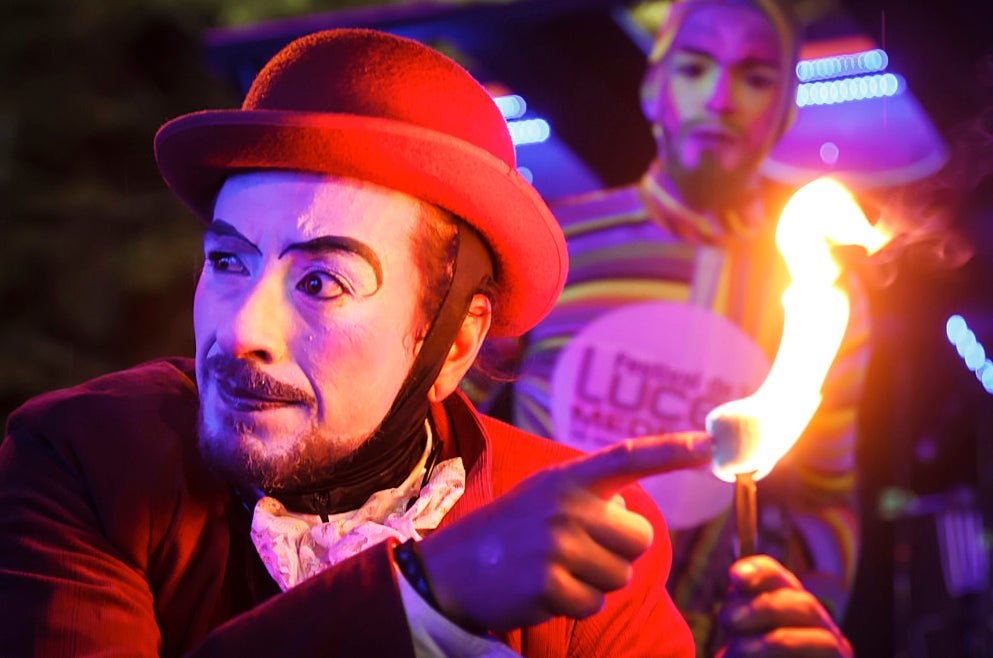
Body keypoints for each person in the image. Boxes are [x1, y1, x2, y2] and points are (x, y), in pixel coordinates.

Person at [0, 27, 849, 657]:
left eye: (321, 281)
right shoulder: (82, 457)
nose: (241, 332)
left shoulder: (592, 535)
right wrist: (432, 592)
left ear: (454, 344)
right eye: (227, 259)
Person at [465, 0, 867, 655]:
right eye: (693, 67)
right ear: (652, 89)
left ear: (786, 111)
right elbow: (449, 435)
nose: (718, 97)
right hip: (532, 633)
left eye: (756, 77)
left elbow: (825, 498)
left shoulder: (819, 294)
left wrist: (803, 617)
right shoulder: (554, 242)